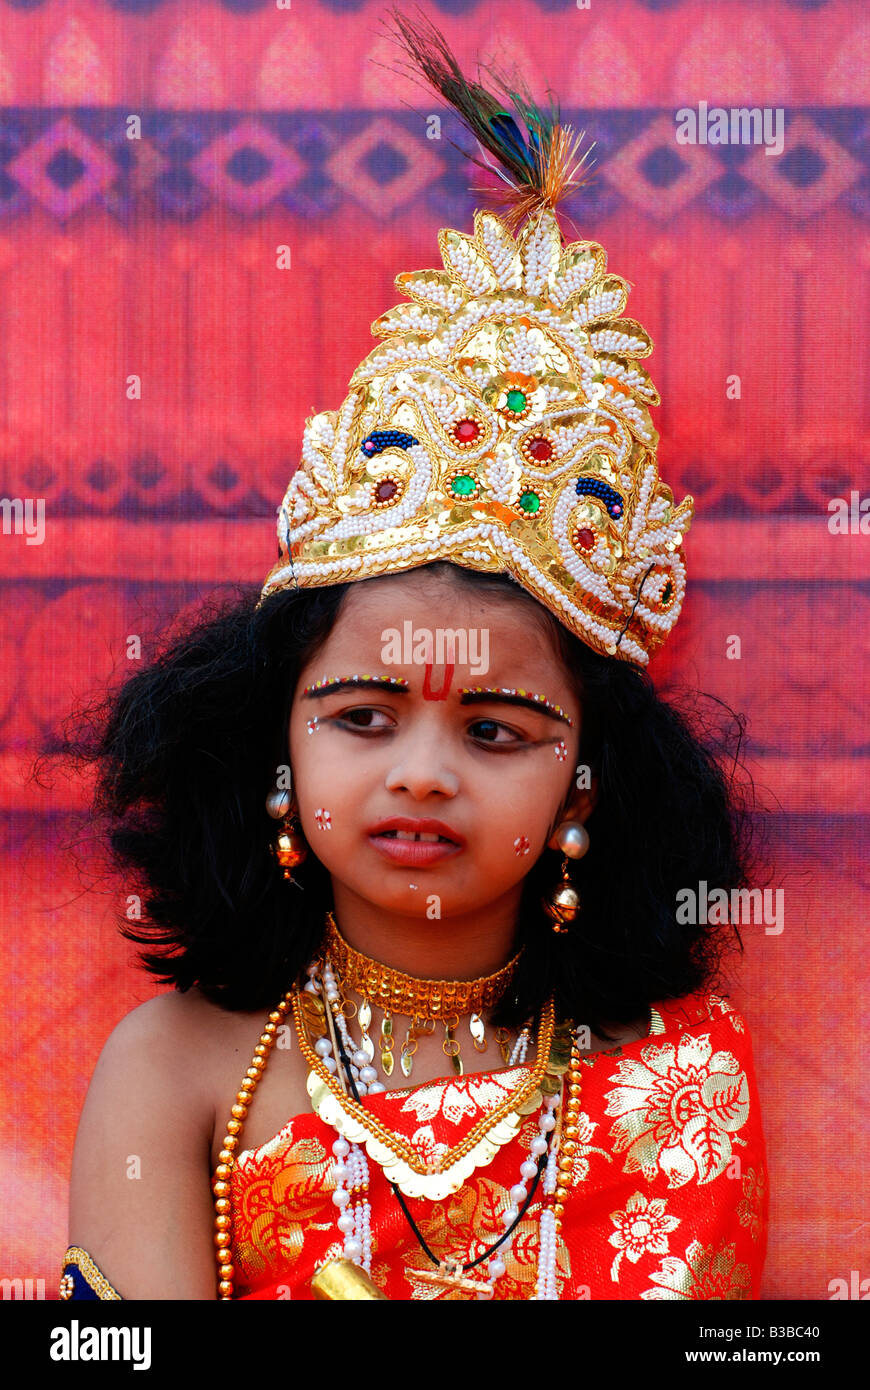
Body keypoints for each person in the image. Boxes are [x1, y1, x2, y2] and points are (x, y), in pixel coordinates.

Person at [59, 14, 768, 1301]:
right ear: (276, 739)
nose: (425, 773)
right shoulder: (174, 1068)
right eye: (363, 716)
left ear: (588, 780)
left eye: (495, 730)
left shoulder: (678, 1084)